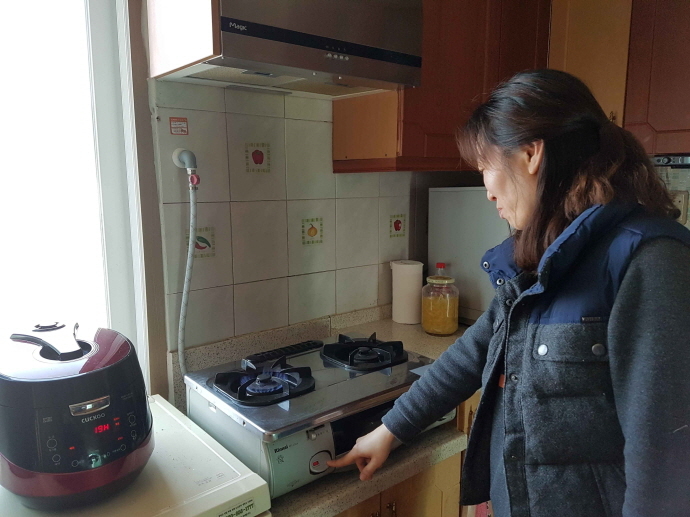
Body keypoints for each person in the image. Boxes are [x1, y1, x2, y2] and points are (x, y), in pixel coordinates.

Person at [327, 69, 690, 517]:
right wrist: (390, 430)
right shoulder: (542, 258)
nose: (486, 190)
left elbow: (663, 456)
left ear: (531, 153)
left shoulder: (650, 260)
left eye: (485, 167)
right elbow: (471, 353)